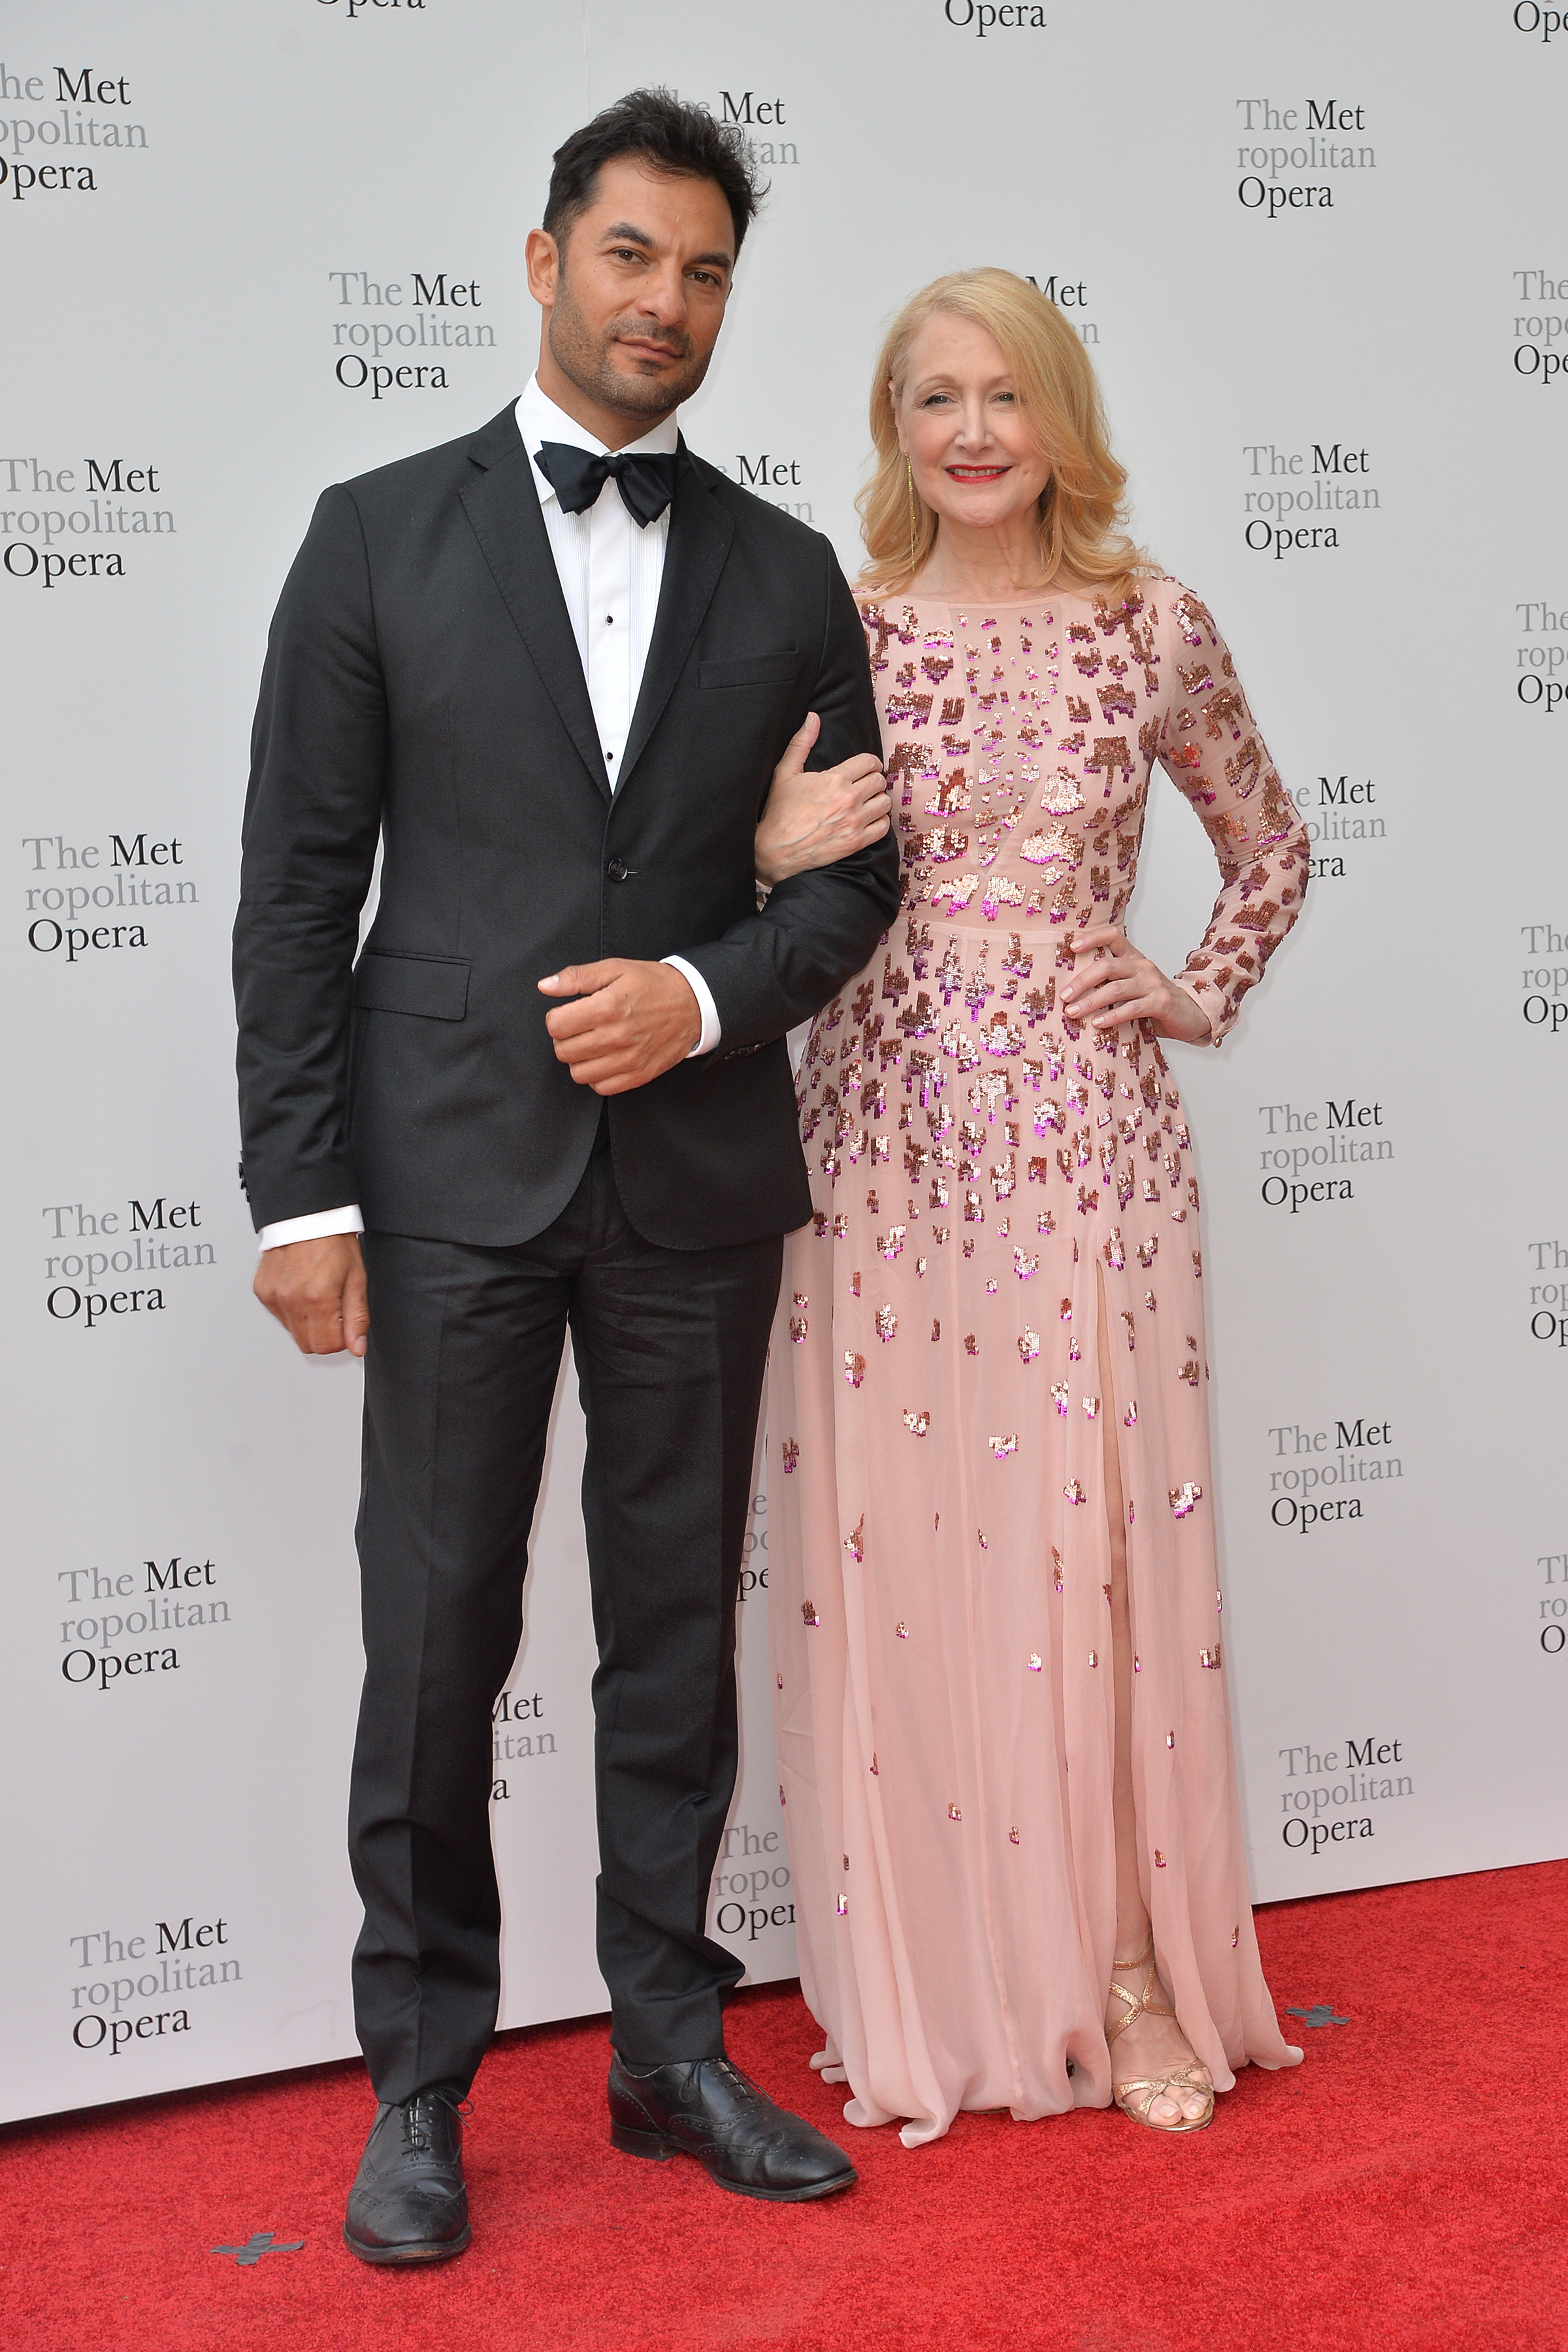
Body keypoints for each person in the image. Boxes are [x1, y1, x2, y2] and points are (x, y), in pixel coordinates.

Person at [233, 90, 898, 2263]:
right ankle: (419, 2086)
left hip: (696, 1179)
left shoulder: (787, 575)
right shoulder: (371, 537)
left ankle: (667, 2051)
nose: (665, 302)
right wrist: (301, 1197)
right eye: (631, 255)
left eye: (705, 271)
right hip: (445, 1180)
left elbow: (850, 885)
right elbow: (297, 890)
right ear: (545, 262)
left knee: (673, 1637)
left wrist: (699, 997)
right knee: (436, 1636)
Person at [762, 269, 1308, 2148]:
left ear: (1063, 417)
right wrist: (759, 852)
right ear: (893, 427)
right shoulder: (836, 632)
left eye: (1008, 395)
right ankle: (940, 1971)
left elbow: (1272, 842)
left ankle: (1129, 1973)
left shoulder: (1152, 624)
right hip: (880, 1147)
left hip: (1090, 1145)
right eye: (937, 398)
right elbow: (725, 874)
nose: (974, 432)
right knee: (911, 1554)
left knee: (1093, 1558)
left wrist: (1192, 985)